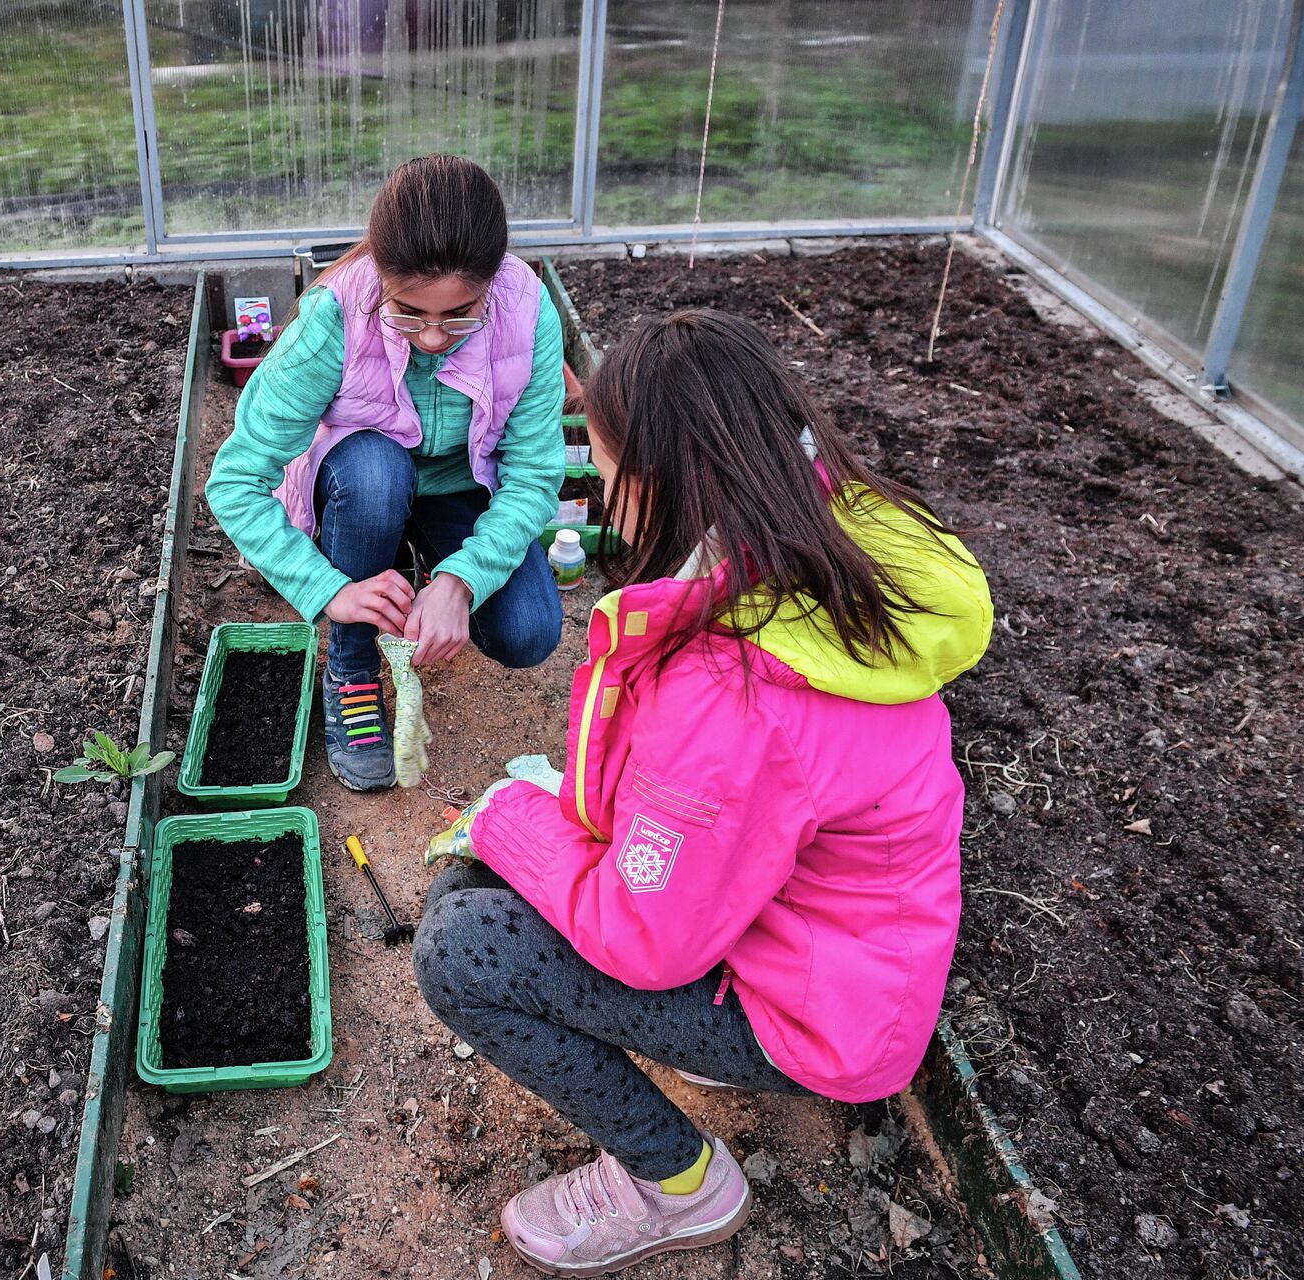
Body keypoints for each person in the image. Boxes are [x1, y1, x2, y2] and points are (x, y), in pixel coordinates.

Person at [412, 310, 994, 1276]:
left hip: (815, 1017)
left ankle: (674, 1185)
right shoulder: (820, 545)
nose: (600, 497)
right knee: (491, 879)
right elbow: (719, 814)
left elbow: (647, 936)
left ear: (656, 480)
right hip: (836, 952)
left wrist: (505, 815)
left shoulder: (737, 697)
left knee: (461, 944)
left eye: (603, 472)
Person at [205, 155, 566, 793]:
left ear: (494, 283)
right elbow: (235, 480)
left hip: (462, 488)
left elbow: (535, 474)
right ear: (380, 275)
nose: (432, 337)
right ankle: (350, 664)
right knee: (375, 472)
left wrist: (462, 580)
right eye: (408, 312)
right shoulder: (333, 317)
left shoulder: (528, 311)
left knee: (528, 631)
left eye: (461, 313)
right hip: (360, 485)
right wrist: (326, 590)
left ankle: (424, 569)